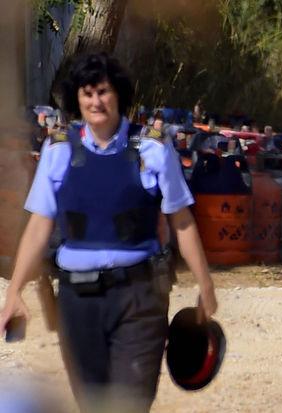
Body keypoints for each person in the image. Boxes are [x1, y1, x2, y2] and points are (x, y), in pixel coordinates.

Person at [0, 53, 218, 412]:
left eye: (103, 92)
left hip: (140, 298)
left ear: (118, 96)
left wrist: (205, 284)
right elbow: (39, 225)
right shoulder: (58, 150)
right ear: (77, 100)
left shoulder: (152, 147)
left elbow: (181, 220)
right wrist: (14, 291)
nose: (96, 102)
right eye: (87, 94)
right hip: (77, 302)